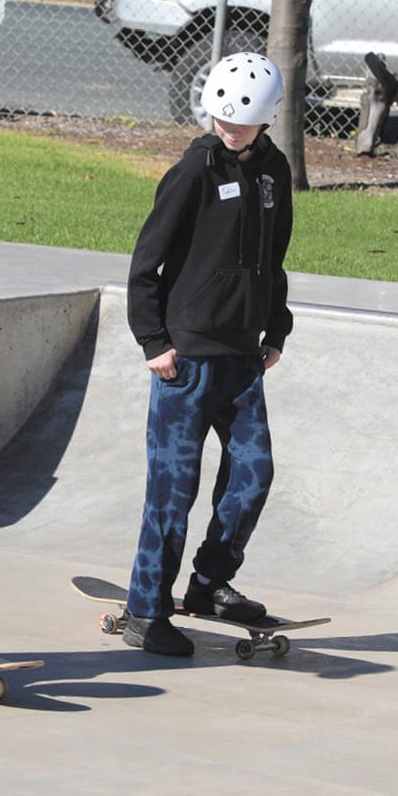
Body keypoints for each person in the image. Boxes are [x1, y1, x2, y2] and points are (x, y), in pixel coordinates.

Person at [123, 52, 294, 656]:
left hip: (243, 359)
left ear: (267, 119)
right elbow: (147, 263)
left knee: (254, 473)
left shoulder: (275, 172)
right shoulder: (194, 170)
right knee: (173, 490)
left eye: (242, 124)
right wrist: (154, 342)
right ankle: (145, 610)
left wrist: (276, 329)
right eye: (222, 120)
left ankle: (209, 581)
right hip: (185, 358)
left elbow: (272, 260)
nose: (230, 130)